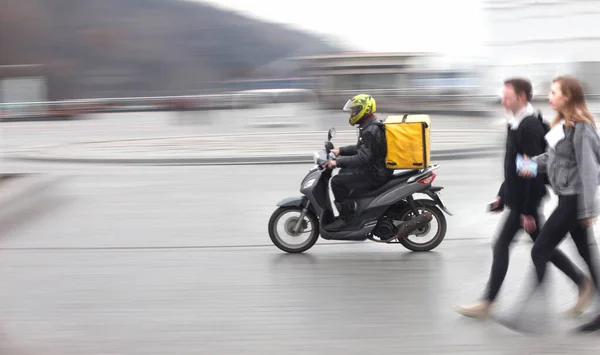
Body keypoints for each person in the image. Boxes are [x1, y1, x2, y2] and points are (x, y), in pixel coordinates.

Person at [455, 78, 591, 319]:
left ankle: (491, 302)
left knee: (510, 245)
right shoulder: (516, 123)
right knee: (542, 247)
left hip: (528, 202)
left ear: (521, 98)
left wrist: (528, 210)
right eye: (502, 95)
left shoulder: (530, 127)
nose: (502, 100)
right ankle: (581, 283)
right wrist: (502, 194)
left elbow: (535, 171)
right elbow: (515, 167)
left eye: (507, 96)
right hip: (520, 200)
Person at [514, 76, 600, 333]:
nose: (549, 97)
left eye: (554, 92)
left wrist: (587, 210)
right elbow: (550, 158)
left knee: (539, 250)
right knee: (587, 255)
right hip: (566, 198)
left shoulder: (581, 128)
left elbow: (589, 171)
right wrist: (527, 165)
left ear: (568, 96)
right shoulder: (561, 125)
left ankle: (532, 314)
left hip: (574, 201)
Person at [323, 94, 392, 231]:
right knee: (344, 173)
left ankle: (346, 219)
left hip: (375, 173)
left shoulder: (370, 129)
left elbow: (363, 158)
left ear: (364, 110)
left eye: (354, 110)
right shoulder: (369, 126)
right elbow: (362, 149)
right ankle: (356, 211)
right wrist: (340, 151)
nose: (351, 113)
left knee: (337, 181)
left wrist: (336, 162)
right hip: (376, 169)